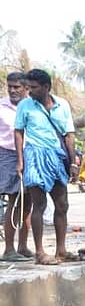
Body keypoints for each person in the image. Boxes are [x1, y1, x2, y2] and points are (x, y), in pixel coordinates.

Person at [13, 69, 78, 265]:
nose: (29, 91)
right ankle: (40, 253)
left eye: (33, 88)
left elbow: (69, 135)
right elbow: (18, 132)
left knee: (62, 204)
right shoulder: (25, 105)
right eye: (28, 87)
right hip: (34, 156)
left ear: (46, 87)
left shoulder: (62, 105)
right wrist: (20, 161)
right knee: (38, 205)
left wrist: (73, 162)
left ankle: (61, 250)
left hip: (57, 156)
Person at [0, 72, 32, 261]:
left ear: (26, 88)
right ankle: (9, 249)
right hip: (9, 155)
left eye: (16, 87)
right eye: (9, 86)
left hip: (30, 154)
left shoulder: (31, 106)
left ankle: (23, 246)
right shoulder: (2, 107)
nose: (12, 90)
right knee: (13, 202)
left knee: (28, 202)